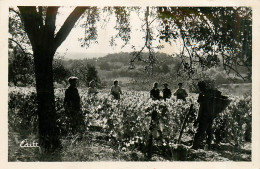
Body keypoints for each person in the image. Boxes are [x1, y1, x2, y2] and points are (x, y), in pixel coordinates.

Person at [192, 81, 213, 150]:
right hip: (210, 115)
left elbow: (201, 108)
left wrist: (197, 119)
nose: (199, 88)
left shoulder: (202, 94)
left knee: (199, 132)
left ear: (200, 87)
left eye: (199, 87)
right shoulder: (210, 94)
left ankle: (194, 147)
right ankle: (208, 147)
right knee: (209, 131)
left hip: (204, 116)